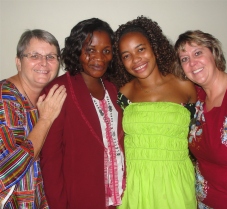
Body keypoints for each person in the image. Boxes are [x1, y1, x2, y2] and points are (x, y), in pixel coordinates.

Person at [110, 16, 197, 209]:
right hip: (136, 185)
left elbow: (199, 135)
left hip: (177, 185)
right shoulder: (122, 94)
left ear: (154, 47)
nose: (136, 60)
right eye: (126, 55)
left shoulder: (186, 87)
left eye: (141, 49)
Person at [40, 18, 125, 209]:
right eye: (90, 50)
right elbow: (51, 159)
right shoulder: (58, 90)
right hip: (82, 198)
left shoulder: (114, 88)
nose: (99, 58)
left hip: (122, 198)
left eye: (106, 51)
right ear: (77, 49)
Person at [175, 30, 227, 208]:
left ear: (214, 53)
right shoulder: (196, 99)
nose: (192, 63)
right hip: (203, 202)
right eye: (184, 59)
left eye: (198, 53)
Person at [0, 29, 67, 208]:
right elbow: (7, 171)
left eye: (51, 56)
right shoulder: (5, 100)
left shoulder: (46, 99)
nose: (43, 63)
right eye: (34, 55)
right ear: (18, 62)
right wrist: (45, 119)